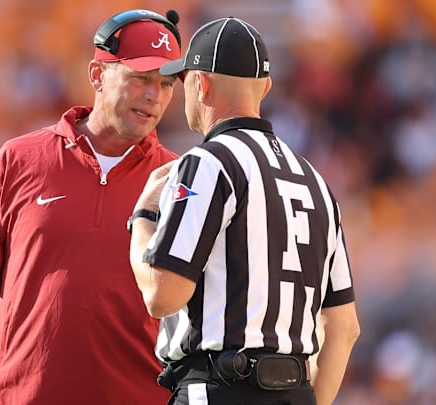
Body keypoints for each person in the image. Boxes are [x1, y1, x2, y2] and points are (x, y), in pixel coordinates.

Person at [0, 9, 184, 405]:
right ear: (97, 75)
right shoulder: (19, 158)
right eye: (140, 79)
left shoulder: (181, 179)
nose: (155, 96)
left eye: (167, 84)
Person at [128, 17, 361, 405]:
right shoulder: (315, 180)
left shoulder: (207, 162)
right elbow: (344, 328)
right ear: (266, 87)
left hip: (217, 388)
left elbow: (162, 294)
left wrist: (142, 221)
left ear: (200, 84)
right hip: (295, 390)